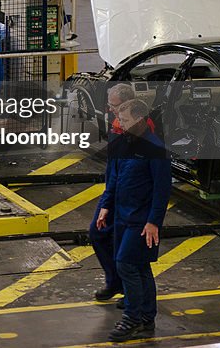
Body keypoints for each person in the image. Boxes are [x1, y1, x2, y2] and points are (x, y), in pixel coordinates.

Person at [97, 98, 171, 342]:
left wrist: (153, 222)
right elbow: (115, 179)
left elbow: (162, 190)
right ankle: (147, 318)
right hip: (122, 215)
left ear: (140, 120)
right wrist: (106, 207)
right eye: (119, 118)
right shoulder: (123, 143)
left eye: (125, 119)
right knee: (139, 267)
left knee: (126, 264)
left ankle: (133, 317)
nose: (120, 123)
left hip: (141, 221)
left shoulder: (155, 149)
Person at [90, 83, 135, 303]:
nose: (110, 109)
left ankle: (131, 294)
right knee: (98, 234)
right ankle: (115, 282)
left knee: (124, 247)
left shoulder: (136, 131)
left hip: (126, 195)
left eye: (113, 105)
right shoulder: (118, 125)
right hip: (113, 190)